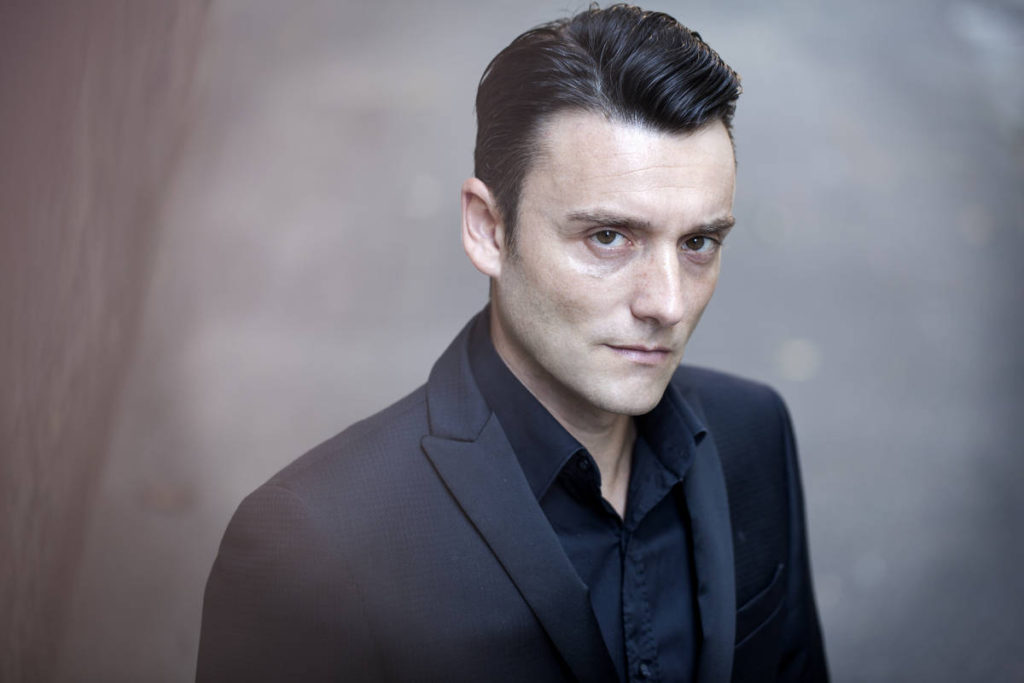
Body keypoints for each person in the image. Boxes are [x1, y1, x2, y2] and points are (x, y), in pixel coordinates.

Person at [196, 4, 828, 682]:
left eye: (698, 242)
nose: (667, 303)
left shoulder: (753, 435)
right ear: (488, 230)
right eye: (608, 237)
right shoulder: (314, 544)